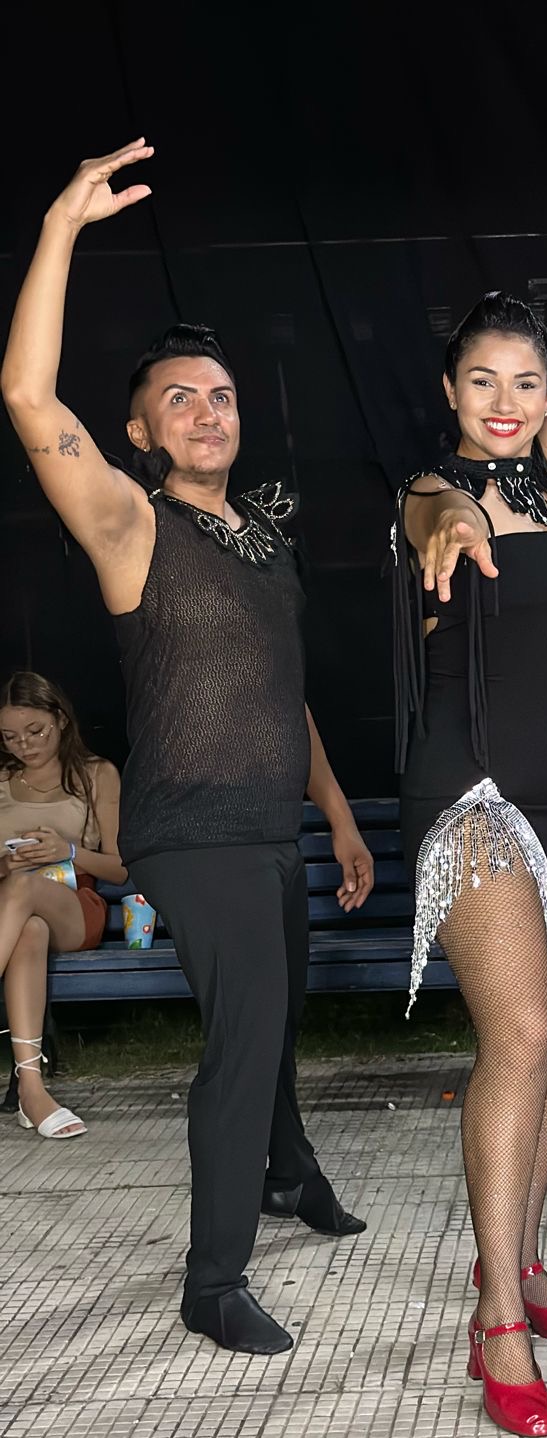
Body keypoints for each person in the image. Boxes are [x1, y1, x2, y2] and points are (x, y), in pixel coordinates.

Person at [2, 140, 376, 1357]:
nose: (207, 411)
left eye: (219, 395)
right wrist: (62, 224)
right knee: (244, 1041)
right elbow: (26, 396)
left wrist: (338, 814)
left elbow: (283, 695)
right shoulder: (130, 523)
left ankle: (289, 1171)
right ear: (138, 429)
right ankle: (213, 1282)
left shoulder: (262, 541)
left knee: (277, 1018)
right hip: (190, 828)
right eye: (180, 398)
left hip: (269, 824)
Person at [393, 113, 547, 1437]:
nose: (507, 399)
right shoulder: (426, 493)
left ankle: (528, 1262)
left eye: (524, 382)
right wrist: (451, 521)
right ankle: (495, 1312)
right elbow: (434, 518)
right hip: (474, 789)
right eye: (483, 379)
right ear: (451, 389)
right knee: (521, 1035)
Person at [0, 671, 125, 1139]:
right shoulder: (2, 780)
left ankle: (32, 1091)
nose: (24, 745)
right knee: (28, 926)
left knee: (25, 891)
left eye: (36, 731)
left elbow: (119, 868)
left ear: (61, 719)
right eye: (10, 737)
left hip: (74, 902)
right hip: (11, 912)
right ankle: (32, 1091)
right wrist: (6, 863)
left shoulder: (95, 774)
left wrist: (67, 851)